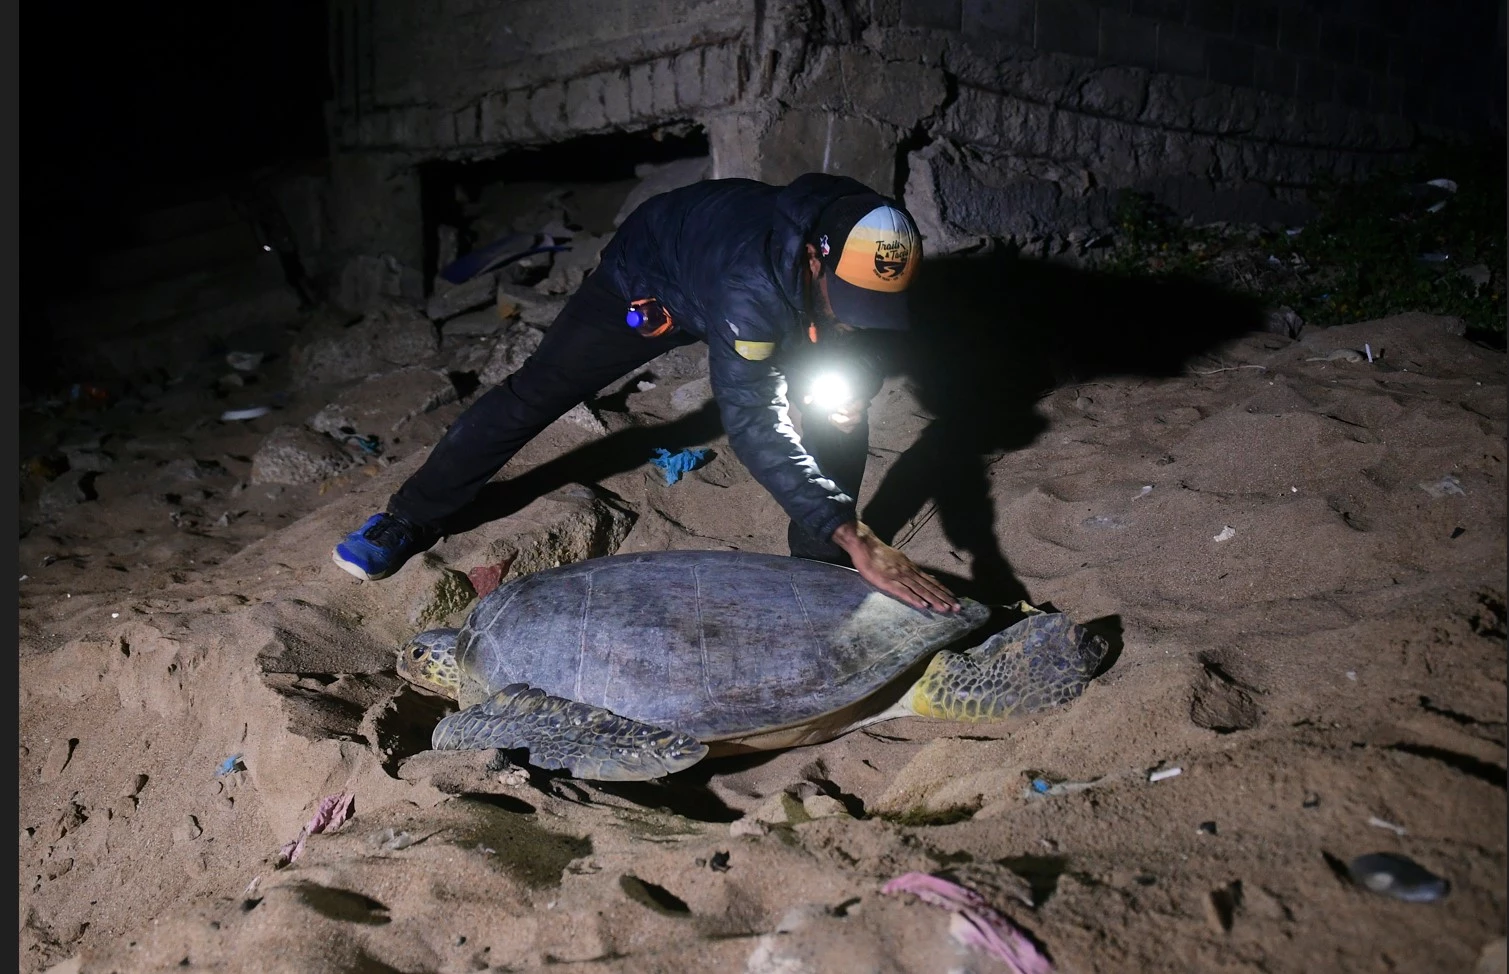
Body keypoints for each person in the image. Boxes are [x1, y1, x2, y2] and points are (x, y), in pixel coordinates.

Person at [332, 172, 960, 614]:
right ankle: (409, 515)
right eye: (845, 304)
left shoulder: (867, 237)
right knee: (540, 390)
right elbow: (750, 419)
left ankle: (817, 567)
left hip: (769, 294)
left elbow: (875, 332)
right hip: (652, 278)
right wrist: (860, 533)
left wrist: (856, 377)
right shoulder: (751, 286)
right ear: (819, 262)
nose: (855, 317)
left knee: (839, 400)